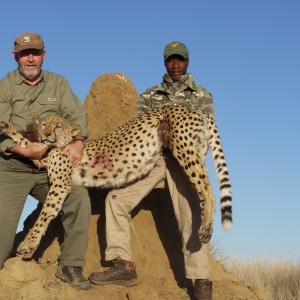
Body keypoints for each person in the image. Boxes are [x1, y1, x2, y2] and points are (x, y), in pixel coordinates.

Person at [89, 41, 215, 299]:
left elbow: (206, 135)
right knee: (114, 199)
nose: (175, 65)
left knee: (192, 213)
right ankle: (122, 265)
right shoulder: (150, 96)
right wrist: (161, 137)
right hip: (154, 160)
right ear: (165, 63)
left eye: (180, 60)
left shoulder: (202, 96)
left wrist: (182, 146)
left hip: (184, 163)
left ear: (188, 62)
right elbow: (140, 132)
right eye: (171, 60)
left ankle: (201, 280)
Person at [0, 32, 91, 290]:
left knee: (78, 198)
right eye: (24, 53)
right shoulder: (4, 87)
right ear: (14, 56)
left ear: (43, 55)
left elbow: (78, 115)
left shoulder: (59, 84)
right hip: (11, 166)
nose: (30, 58)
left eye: (35, 53)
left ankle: (71, 266)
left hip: (49, 168)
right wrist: (24, 152)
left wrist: (78, 142)